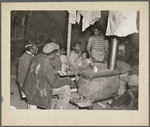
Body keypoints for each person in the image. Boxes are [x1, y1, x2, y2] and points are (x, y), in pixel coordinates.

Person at [22, 43, 73, 110]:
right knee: (66, 88)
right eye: (55, 53)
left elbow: (41, 72)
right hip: (37, 90)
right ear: (52, 53)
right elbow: (54, 84)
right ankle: (59, 112)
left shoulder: (37, 57)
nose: (55, 55)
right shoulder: (46, 62)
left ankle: (53, 106)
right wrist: (68, 80)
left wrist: (53, 72)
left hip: (29, 87)